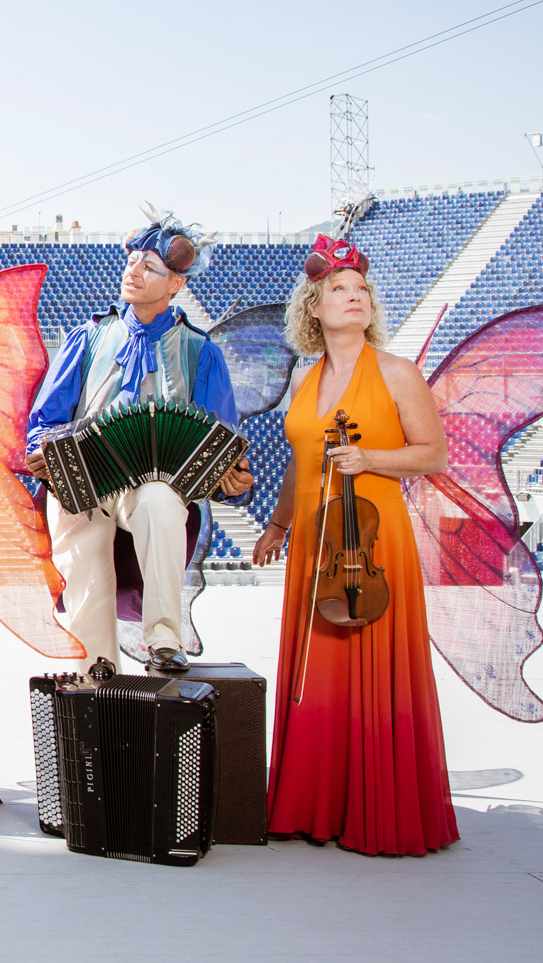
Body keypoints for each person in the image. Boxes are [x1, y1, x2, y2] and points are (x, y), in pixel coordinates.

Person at [252, 234, 458, 856]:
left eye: (362, 289)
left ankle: (379, 807)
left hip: (372, 538)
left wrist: (370, 456)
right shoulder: (305, 380)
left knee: (371, 667)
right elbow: (301, 460)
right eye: (340, 289)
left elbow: (434, 454)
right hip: (314, 538)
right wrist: (278, 525)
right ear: (313, 306)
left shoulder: (397, 372)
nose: (354, 298)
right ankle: (315, 806)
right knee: (318, 674)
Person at [24, 207, 253, 673]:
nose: (134, 270)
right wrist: (44, 449)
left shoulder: (200, 352)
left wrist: (231, 472)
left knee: (160, 499)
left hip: (151, 482)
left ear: (176, 285)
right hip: (84, 477)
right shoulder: (87, 337)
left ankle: (165, 640)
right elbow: (44, 420)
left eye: (150, 267)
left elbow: (221, 438)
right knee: (82, 544)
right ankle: (96, 669)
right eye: (132, 261)